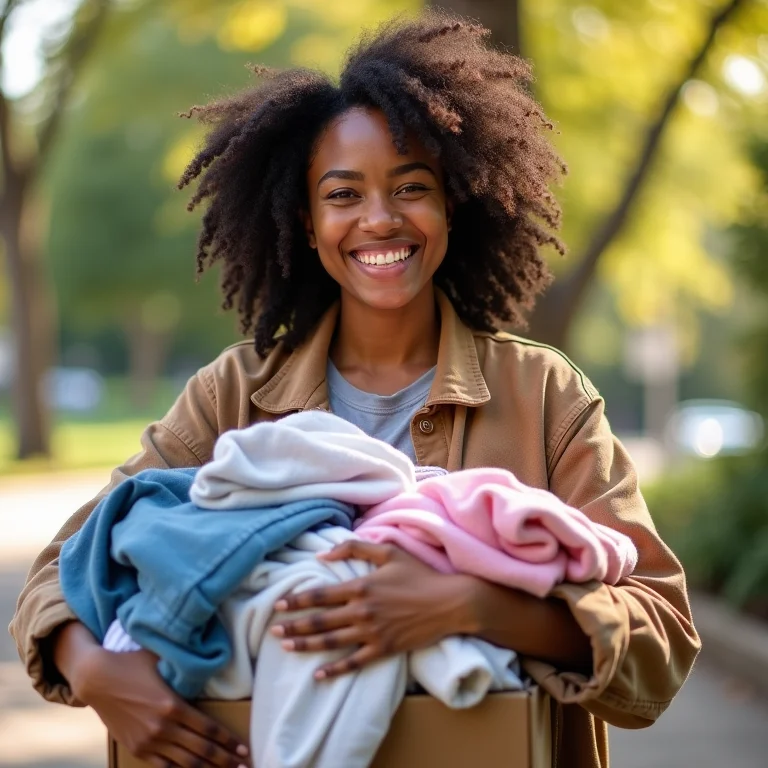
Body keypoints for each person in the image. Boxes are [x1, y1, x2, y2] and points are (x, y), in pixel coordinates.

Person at [9, 11, 699, 768]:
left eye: (412, 187)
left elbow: (660, 636)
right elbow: (69, 565)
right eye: (343, 195)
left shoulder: (544, 395)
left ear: (449, 206)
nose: (379, 219)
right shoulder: (234, 395)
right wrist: (98, 670)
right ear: (306, 223)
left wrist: (473, 607)